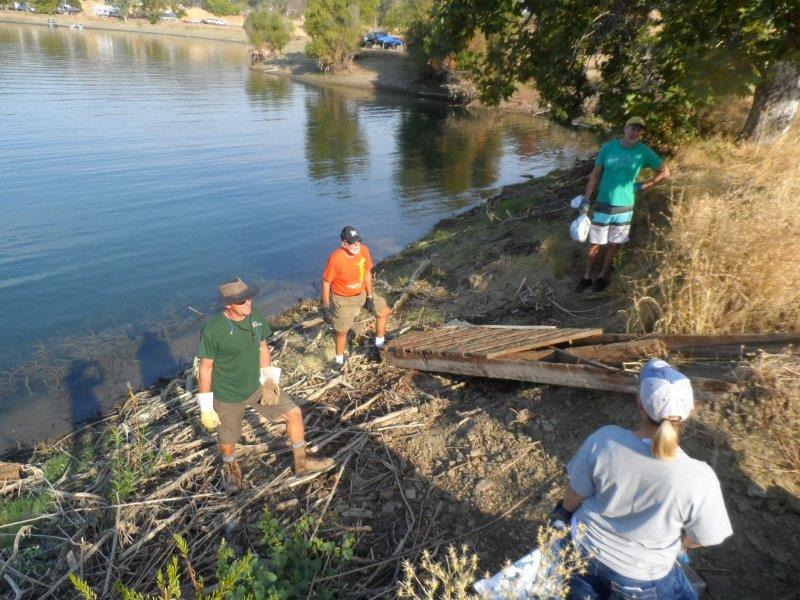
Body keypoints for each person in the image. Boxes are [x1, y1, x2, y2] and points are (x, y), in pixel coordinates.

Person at [553, 359, 732, 600]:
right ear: (690, 412)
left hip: (582, 551)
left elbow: (575, 493)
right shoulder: (700, 477)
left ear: (640, 404)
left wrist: (562, 514)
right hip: (642, 578)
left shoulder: (604, 440)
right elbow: (708, 536)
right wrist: (682, 543)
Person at [196, 277, 333, 494]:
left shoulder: (256, 318)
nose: (248, 303)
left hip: (257, 386)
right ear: (228, 305)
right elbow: (205, 368)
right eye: (242, 301)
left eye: (249, 298)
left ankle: (302, 462)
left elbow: (262, 348)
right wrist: (205, 405)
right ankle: (231, 468)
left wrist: (268, 381)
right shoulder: (214, 329)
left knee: (294, 413)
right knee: (227, 439)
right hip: (227, 394)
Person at [576, 116, 671, 293]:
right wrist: (586, 199)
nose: (634, 132)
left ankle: (603, 275)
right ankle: (587, 276)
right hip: (603, 203)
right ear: (625, 128)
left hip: (625, 206)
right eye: (632, 128)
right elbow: (595, 174)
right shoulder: (608, 148)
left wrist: (645, 185)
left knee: (614, 243)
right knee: (595, 243)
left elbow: (665, 171)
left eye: (638, 130)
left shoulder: (643, 152)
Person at [321, 226, 391, 371]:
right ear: (343, 244)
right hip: (343, 299)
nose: (355, 245)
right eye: (351, 243)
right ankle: (339, 360)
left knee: (383, 311)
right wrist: (326, 306)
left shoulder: (364, 250)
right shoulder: (336, 258)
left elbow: (367, 273)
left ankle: (379, 345)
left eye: (358, 241)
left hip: (362, 293)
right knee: (342, 330)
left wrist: (370, 296)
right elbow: (327, 282)